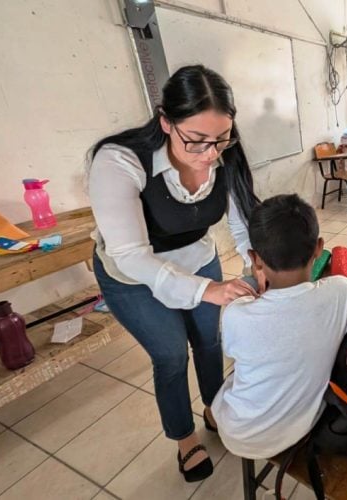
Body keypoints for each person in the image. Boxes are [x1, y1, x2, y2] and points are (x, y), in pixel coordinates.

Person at [88, 65, 261, 482]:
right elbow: (131, 255)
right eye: (196, 140)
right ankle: (185, 437)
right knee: (170, 354)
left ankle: (214, 408)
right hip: (133, 275)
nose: (210, 153)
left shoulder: (223, 152)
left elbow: (240, 223)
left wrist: (255, 263)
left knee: (209, 340)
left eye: (221, 139)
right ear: (166, 122)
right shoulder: (119, 160)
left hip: (197, 257)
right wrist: (208, 289)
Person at [212, 194, 347, 459]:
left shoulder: (235, 314)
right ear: (319, 248)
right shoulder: (341, 291)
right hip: (301, 428)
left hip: (240, 437)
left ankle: (211, 420)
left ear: (255, 259)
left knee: (229, 386)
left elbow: (234, 353)